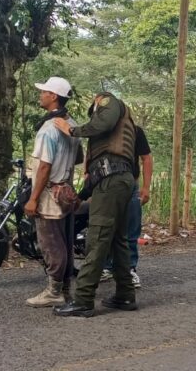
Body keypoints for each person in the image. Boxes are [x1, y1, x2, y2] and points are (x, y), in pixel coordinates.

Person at [51, 92, 137, 318]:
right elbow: (102, 170)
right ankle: (125, 294)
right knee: (118, 241)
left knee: (97, 238)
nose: (93, 118)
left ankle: (83, 300)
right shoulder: (116, 134)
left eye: (93, 112)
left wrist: (71, 130)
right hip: (118, 181)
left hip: (112, 182)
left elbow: (104, 124)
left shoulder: (108, 102)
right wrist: (81, 195)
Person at [23, 77, 80, 308]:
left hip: (50, 194)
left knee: (50, 243)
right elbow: (79, 158)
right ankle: (65, 289)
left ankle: (54, 291)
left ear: (54, 96)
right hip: (66, 190)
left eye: (44, 91)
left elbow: (44, 167)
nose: (41, 95)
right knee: (65, 241)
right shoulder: (71, 123)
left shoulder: (48, 129)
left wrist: (33, 198)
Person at [101, 125, 152, 287]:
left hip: (131, 185)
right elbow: (91, 154)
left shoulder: (134, 131)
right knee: (106, 228)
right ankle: (107, 267)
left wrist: (145, 187)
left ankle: (129, 269)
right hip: (105, 186)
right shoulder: (101, 128)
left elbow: (146, 158)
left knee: (131, 228)